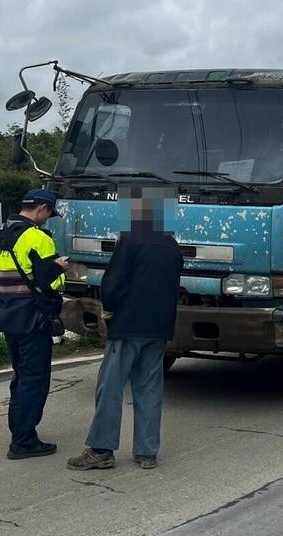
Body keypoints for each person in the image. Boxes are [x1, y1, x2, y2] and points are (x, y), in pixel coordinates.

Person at [68, 186, 183, 471]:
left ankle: (100, 450)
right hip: (159, 328)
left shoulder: (130, 242)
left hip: (129, 325)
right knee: (150, 388)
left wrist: (109, 307)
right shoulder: (172, 246)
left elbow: (113, 284)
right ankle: (146, 452)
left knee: (111, 387)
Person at [0, 189, 67, 460]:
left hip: (7, 312)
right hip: (34, 317)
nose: (49, 219)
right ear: (41, 209)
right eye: (50, 213)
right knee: (35, 378)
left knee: (20, 375)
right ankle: (24, 440)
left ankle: (18, 429)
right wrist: (60, 269)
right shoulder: (38, 238)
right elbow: (51, 284)